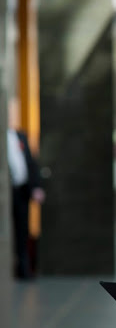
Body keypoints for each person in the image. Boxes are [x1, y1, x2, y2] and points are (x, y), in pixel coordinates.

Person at [6, 96, 45, 280]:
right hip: (6, 192)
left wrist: (36, 186)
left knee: (23, 230)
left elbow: (31, 163)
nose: (12, 116)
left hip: (21, 190)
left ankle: (23, 269)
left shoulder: (20, 135)